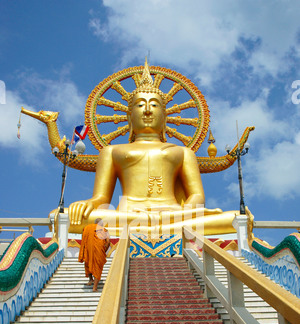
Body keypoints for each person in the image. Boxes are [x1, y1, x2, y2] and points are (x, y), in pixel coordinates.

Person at [68, 61, 239, 237]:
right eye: (140, 105)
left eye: (155, 105)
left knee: (236, 218)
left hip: (173, 214)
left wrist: (182, 213)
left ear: (165, 117)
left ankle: (158, 225)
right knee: (64, 217)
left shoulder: (183, 152)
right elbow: (102, 198)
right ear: (129, 116)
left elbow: (197, 197)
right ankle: (159, 227)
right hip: (127, 215)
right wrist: (89, 204)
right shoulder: (111, 151)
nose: (148, 110)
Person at [78, 218, 110, 292]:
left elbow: (83, 238)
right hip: (99, 251)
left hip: (88, 250)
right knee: (97, 268)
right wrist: (104, 250)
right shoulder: (104, 230)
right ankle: (94, 288)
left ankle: (90, 280)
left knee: (88, 263)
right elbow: (108, 241)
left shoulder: (87, 228)